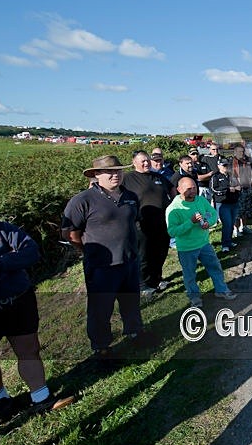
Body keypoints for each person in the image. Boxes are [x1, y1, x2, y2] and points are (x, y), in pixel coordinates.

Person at [61, 155, 148, 357]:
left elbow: (133, 222)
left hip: (129, 261)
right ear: (96, 175)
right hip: (102, 267)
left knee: (131, 303)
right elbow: (70, 233)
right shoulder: (82, 201)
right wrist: (87, 252)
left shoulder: (130, 196)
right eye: (109, 172)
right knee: (100, 310)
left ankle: (135, 333)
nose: (115, 175)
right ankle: (102, 348)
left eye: (118, 171)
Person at [0, 222, 75, 425]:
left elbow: (31, 252)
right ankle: (0, 401)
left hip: (18, 300)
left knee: (29, 350)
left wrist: (0, 263)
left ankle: (41, 398)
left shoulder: (3, 230)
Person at [165, 177, 236, 307]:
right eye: (188, 189)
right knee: (189, 275)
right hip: (186, 248)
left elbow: (212, 213)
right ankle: (195, 298)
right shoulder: (173, 209)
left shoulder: (200, 200)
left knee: (215, 267)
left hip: (204, 244)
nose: (193, 191)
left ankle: (221, 290)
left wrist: (208, 222)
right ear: (179, 190)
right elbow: (172, 232)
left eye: (194, 188)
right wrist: (190, 222)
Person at [122, 151, 174, 298]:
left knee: (161, 252)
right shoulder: (127, 178)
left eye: (147, 160)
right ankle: (142, 285)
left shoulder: (157, 176)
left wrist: (174, 201)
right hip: (141, 224)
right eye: (142, 161)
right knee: (143, 255)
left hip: (162, 222)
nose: (146, 163)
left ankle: (156, 280)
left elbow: (171, 187)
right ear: (134, 163)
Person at [210, 158, 241, 252]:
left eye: (227, 165)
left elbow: (238, 186)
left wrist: (238, 188)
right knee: (226, 224)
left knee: (231, 223)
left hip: (234, 202)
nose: (225, 167)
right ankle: (225, 244)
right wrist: (227, 190)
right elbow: (213, 189)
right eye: (223, 165)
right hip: (223, 203)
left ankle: (229, 240)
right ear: (219, 166)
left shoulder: (232, 175)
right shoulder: (215, 176)